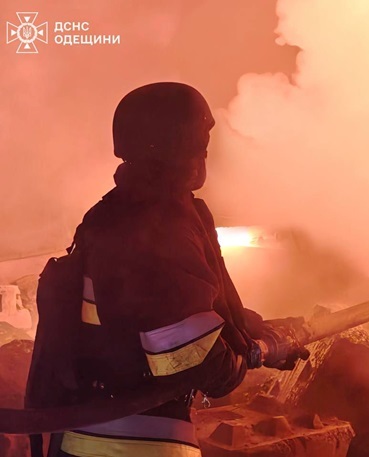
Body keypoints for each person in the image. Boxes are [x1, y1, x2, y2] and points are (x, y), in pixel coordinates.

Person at [55, 82, 286, 457]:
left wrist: (246, 327)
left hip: (85, 433)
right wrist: (259, 352)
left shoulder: (110, 214)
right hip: (137, 444)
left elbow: (144, 311)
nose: (204, 156)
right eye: (200, 145)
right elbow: (197, 360)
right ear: (177, 149)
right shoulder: (161, 226)